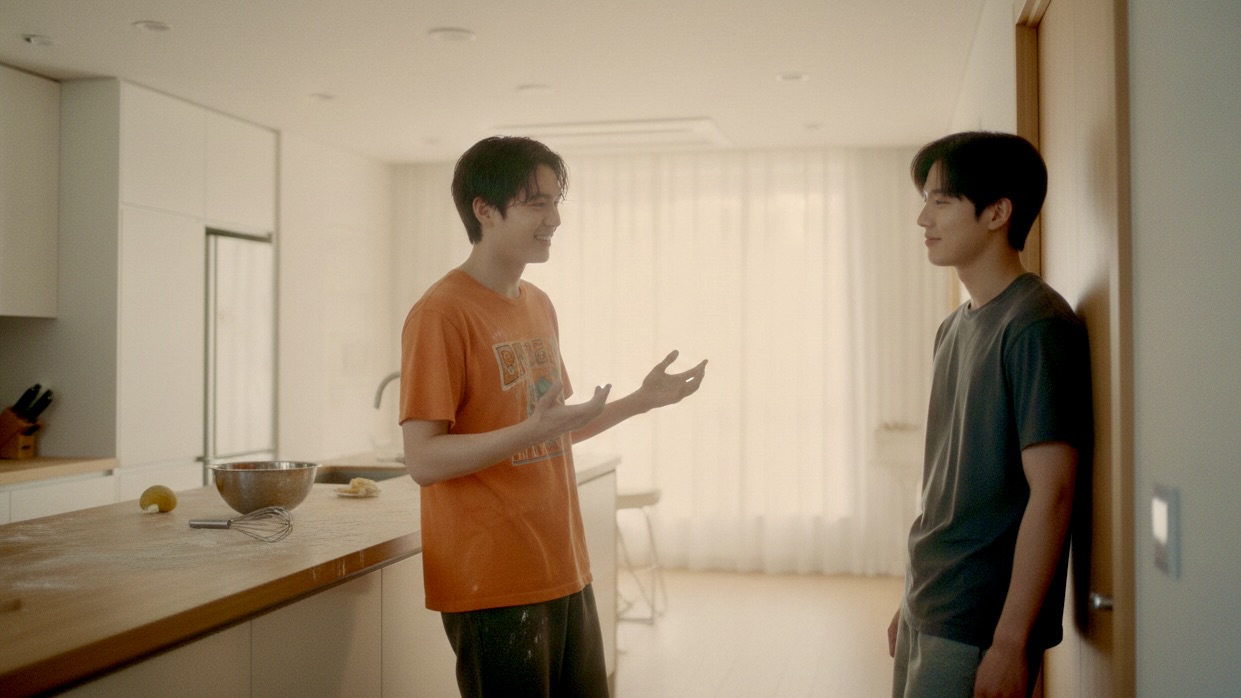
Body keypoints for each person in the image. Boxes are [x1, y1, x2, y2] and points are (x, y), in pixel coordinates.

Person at [398, 135, 707, 697]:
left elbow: (552, 428)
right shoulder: (441, 313)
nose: (555, 219)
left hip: (562, 565)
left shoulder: (537, 303)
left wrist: (640, 399)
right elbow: (423, 460)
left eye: (556, 202)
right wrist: (529, 430)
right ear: (484, 210)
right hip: (492, 580)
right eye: (537, 204)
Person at [888, 131, 1092, 698]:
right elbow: (945, 489)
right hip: (931, 601)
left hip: (978, 619)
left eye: (941, 201)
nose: (923, 218)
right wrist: (909, 597)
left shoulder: (1036, 324)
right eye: (925, 200)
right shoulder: (953, 328)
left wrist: (1010, 643)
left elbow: (1053, 493)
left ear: (998, 213)